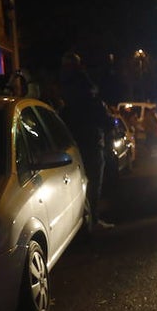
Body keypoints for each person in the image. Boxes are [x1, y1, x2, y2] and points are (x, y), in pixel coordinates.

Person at [59, 52, 113, 230]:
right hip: (90, 143)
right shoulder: (85, 86)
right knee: (93, 183)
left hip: (70, 147)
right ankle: (92, 220)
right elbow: (101, 116)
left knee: (76, 185)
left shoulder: (63, 90)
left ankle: (81, 221)